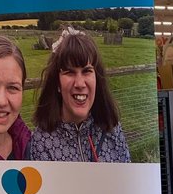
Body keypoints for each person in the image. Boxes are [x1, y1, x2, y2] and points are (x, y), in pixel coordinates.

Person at [28, 28, 131, 163]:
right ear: (57, 83)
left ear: (97, 79)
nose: (80, 84)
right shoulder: (41, 143)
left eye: (87, 71)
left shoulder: (113, 130)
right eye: (69, 72)